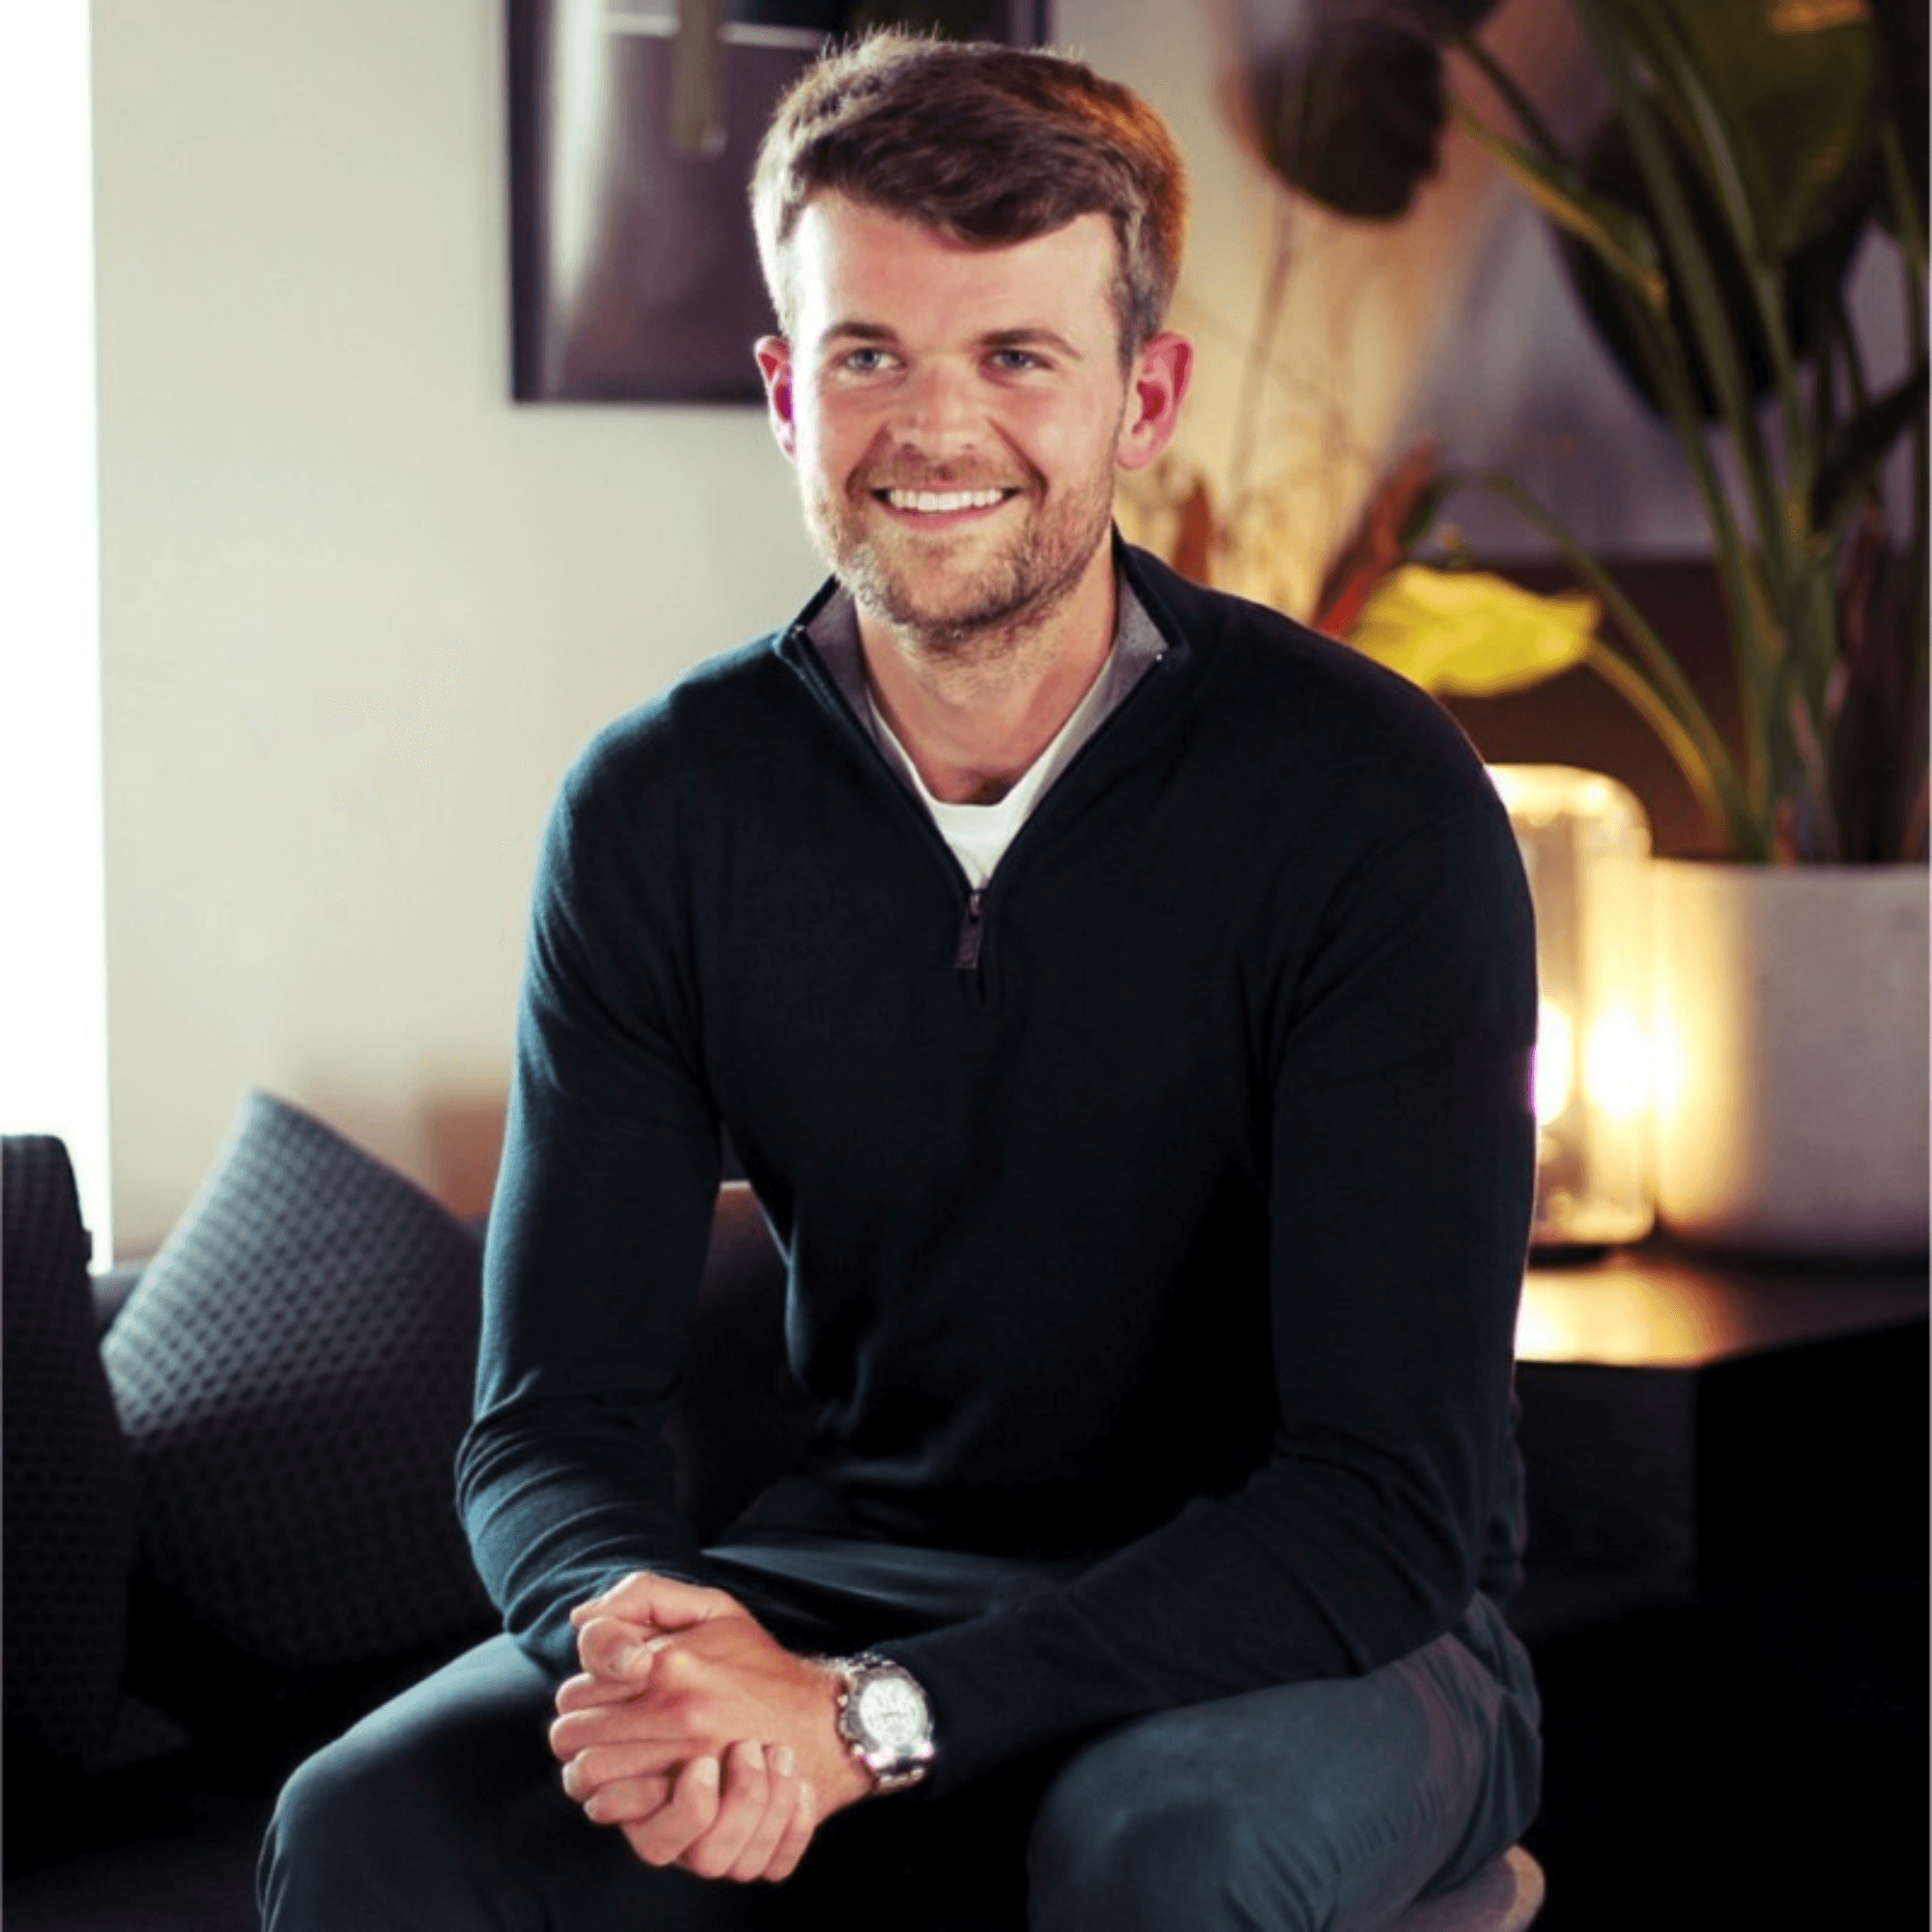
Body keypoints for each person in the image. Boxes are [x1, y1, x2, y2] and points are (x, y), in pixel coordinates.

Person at [260, 31, 1542, 1931]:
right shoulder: (660, 809)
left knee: (1157, 1847)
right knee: (368, 1819)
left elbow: (1381, 1501)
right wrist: (652, 1638)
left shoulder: (1369, 797)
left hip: (1333, 1632)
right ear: (785, 393)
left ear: (1143, 396)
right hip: (857, 1575)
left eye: (1017, 356)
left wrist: (871, 1722)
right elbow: (548, 1421)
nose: (936, 430)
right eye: (869, 356)